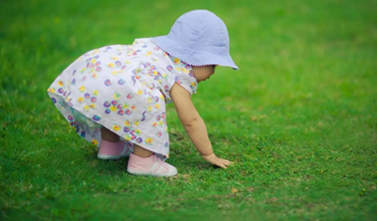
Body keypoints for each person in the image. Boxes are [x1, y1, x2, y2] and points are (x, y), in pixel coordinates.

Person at [47, 10, 238, 177]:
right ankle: (143, 161)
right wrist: (209, 154)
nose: (213, 72)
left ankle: (111, 146)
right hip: (129, 84)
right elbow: (191, 120)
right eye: (212, 64)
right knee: (147, 104)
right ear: (195, 59)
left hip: (104, 69)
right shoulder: (181, 75)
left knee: (118, 99)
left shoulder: (157, 51)